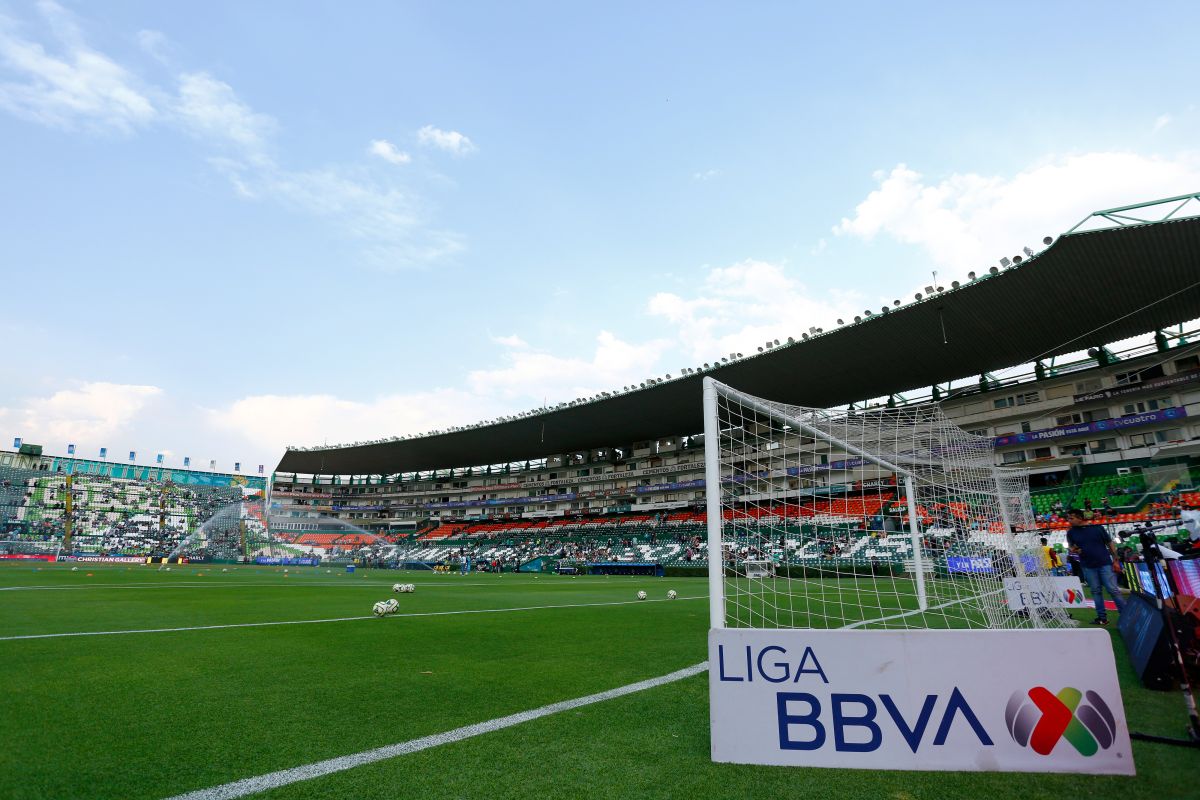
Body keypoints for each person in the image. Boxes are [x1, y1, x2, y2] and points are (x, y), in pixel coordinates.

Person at [1065, 508, 1124, 625]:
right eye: (1068, 518)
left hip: (1105, 564)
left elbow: (1110, 543)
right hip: (1087, 565)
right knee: (1096, 591)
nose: (1069, 521)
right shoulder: (1070, 533)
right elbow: (1071, 547)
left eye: (1071, 518)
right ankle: (1102, 618)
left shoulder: (1098, 528)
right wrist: (1075, 550)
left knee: (1113, 590)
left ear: (1080, 518)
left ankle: (1126, 614)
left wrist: (1116, 560)